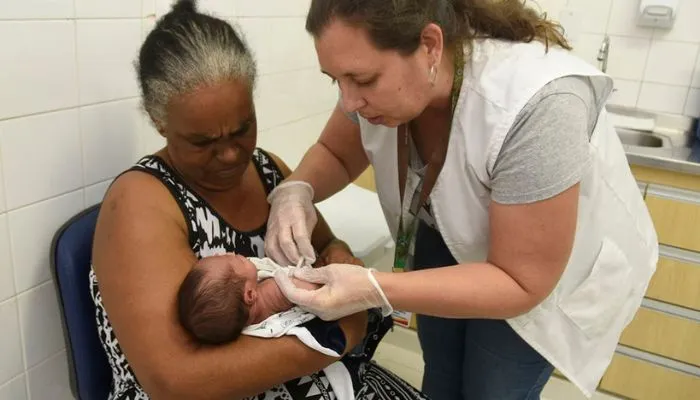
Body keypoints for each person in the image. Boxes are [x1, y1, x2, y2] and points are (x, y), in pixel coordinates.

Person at [266, 1, 659, 399]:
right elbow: (335, 152)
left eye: (363, 80)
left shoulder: (539, 104)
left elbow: (521, 281)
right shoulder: (379, 81)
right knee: (442, 374)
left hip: (533, 269)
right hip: (448, 233)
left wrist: (372, 287)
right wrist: (297, 190)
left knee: (493, 388)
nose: (349, 102)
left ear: (430, 46)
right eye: (336, 81)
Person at [90, 1, 429, 399]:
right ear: (159, 120)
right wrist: (337, 334)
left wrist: (340, 264)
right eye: (204, 142)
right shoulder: (140, 203)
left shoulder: (268, 171)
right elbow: (176, 381)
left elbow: (328, 245)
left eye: (242, 128)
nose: (232, 154)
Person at [177, 254, 319, 344]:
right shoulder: (274, 291)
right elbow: (315, 289)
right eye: (230, 260)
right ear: (250, 295)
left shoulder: (247, 323)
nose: (231, 253)